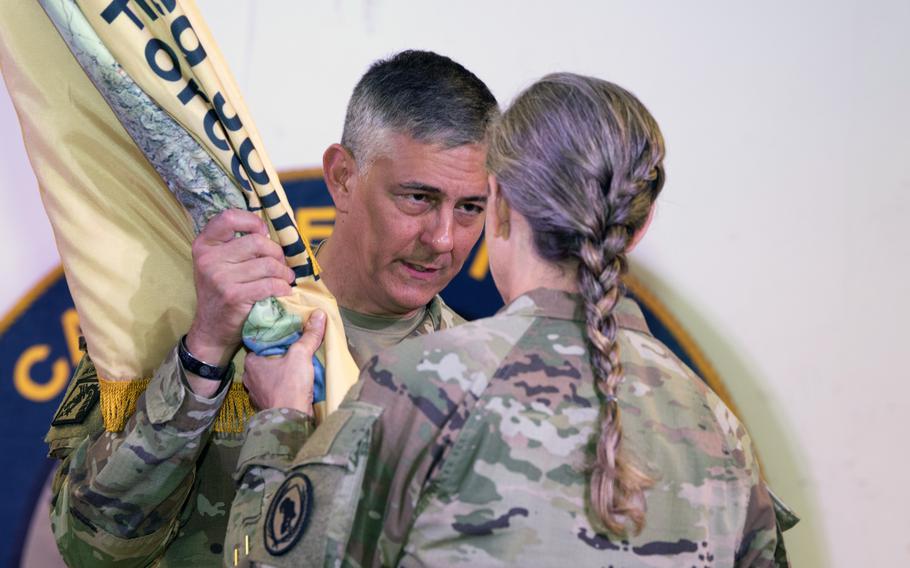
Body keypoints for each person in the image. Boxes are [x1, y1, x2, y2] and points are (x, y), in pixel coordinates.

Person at [226, 72, 797, 567]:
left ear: (498, 202)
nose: (442, 235)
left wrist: (280, 421)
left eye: (470, 204)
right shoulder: (719, 430)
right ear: (639, 230)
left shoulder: (424, 385)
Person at [45, 50, 498, 567]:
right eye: (418, 198)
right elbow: (89, 545)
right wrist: (205, 354)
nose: (443, 239)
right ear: (343, 177)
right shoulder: (207, 316)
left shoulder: (487, 375)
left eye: (470, 208)